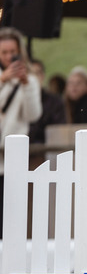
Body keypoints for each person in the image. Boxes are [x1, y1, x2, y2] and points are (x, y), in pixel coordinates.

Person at [0, 27, 43, 232]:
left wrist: (25, 85)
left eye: (12, 52)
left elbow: (33, 114)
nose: (9, 57)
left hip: (13, 154)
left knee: (11, 213)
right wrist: (3, 81)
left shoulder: (30, 80)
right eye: (4, 52)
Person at [28, 59, 66, 143]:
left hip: (46, 149)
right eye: (30, 74)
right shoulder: (18, 101)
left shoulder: (55, 102)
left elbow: (58, 130)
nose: (33, 78)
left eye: (37, 73)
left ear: (42, 75)